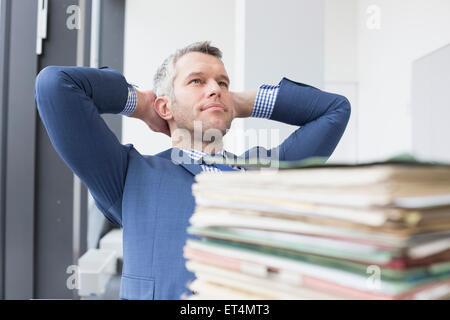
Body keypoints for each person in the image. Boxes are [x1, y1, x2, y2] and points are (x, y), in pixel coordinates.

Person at [34, 41, 351, 300]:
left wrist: (239, 103)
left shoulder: (262, 172)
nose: (215, 89)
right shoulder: (130, 174)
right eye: (197, 81)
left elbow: (335, 110)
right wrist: (141, 104)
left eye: (222, 83)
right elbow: (55, 86)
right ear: (165, 107)